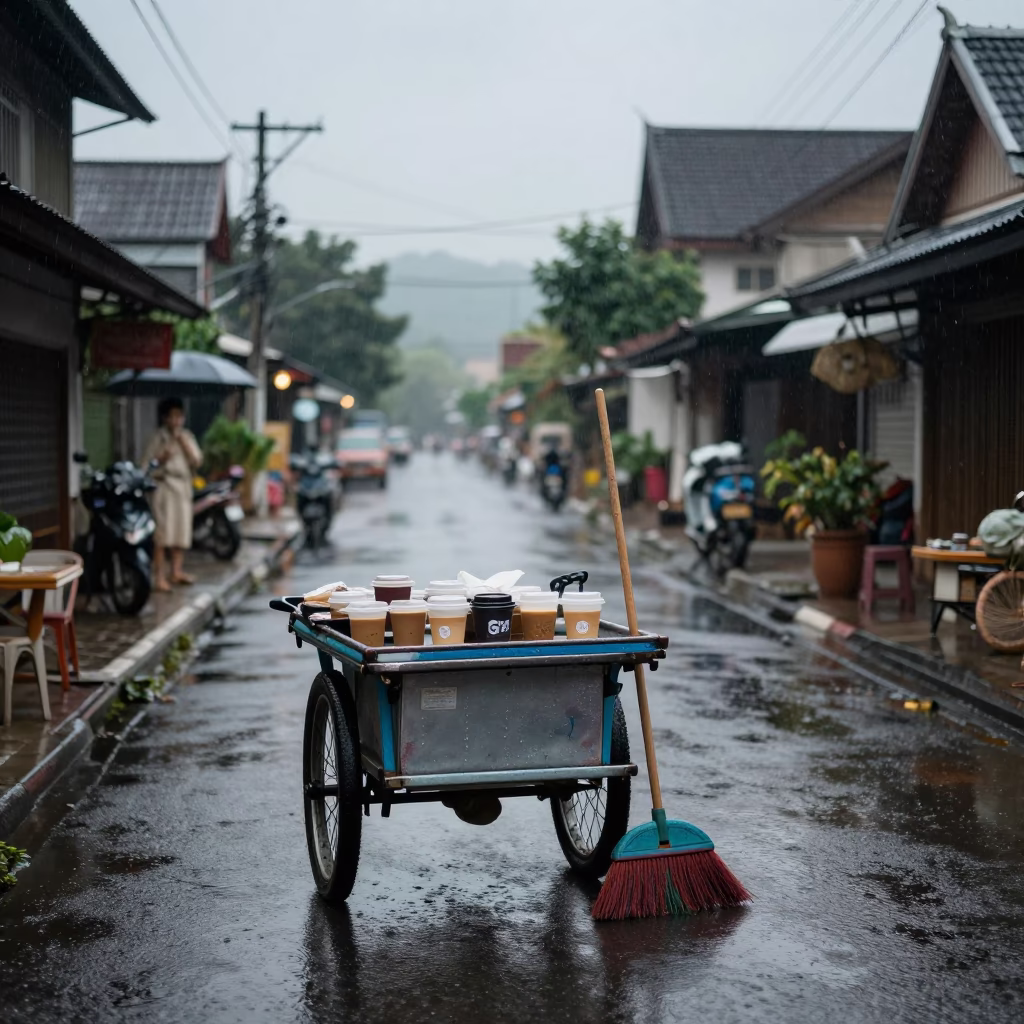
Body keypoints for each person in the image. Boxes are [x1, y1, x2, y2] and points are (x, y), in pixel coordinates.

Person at [143, 397, 202, 592]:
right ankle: (159, 576)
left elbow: (197, 461)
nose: (177, 420)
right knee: (163, 535)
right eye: (173, 416)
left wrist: (183, 443)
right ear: (165, 418)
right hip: (164, 487)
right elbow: (145, 466)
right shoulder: (158, 438)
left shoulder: (187, 436)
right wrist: (161, 458)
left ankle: (176, 571)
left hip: (182, 487)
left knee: (181, 532)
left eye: (180, 416)